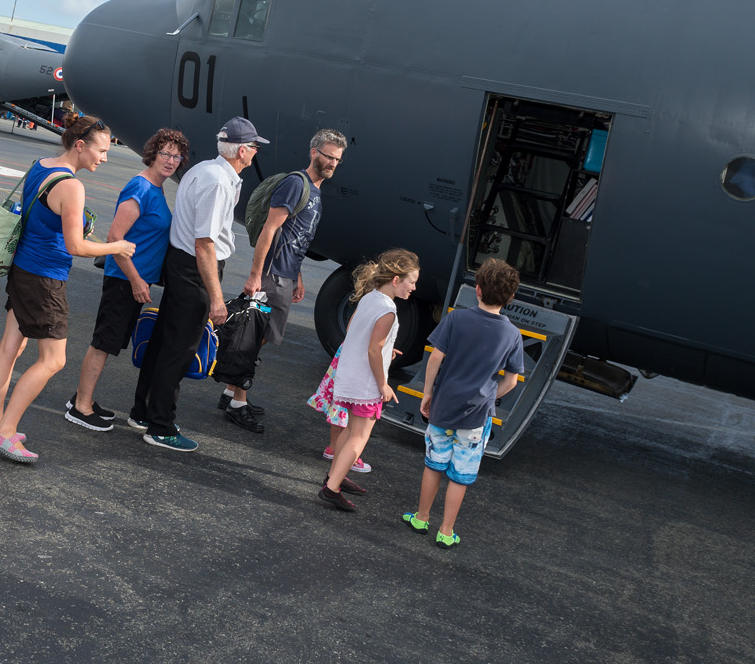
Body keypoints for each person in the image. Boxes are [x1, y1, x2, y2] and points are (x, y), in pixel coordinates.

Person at [0, 116, 137, 463]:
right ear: (80, 146)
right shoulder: (71, 186)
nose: (105, 157)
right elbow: (76, 246)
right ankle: (5, 432)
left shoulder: (42, 165)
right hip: (44, 280)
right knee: (53, 360)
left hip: (23, 270)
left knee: (10, 347)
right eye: (101, 150)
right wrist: (118, 247)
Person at [125, 117, 267, 453]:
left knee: (163, 342)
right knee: (179, 349)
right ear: (242, 150)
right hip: (195, 268)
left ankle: (143, 412)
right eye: (254, 146)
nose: (256, 152)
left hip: (181, 263)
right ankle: (160, 426)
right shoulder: (218, 182)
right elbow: (205, 243)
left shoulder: (206, 170)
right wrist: (216, 298)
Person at [221, 128, 348, 433]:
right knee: (254, 337)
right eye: (328, 156)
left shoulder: (315, 191)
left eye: (337, 159)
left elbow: (295, 238)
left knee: (260, 338)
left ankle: (230, 393)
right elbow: (269, 230)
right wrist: (255, 276)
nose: (331, 163)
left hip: (286, 276)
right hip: (271, 277)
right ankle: (238, 402)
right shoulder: (296, 184)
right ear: (313, 152)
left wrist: (298, 275)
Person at [62, 128, 189, 431]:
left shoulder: (156, 188)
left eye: (176, 155)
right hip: (123, 279)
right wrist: (135, 280)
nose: (171, 160)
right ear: (152, 154)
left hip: (133, 281)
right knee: (103, 343)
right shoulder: (141, 188)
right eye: (165, 153)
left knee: (110, 342)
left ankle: (83, 397)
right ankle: (80, 408)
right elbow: (115, 238)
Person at [404, 258, 526, 547]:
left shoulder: (456, 318)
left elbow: (435, 357)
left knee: (434, 464)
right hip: (476, 418)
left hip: (444, 406)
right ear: (510, 297)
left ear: (478, 289)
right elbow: (510, 381)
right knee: (460, 474)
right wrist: (486, 397)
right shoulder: (512, 334)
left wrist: (428, 392)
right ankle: (446, 532)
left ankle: (421, 517)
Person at [317, 249, 419, 510]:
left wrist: (386, 350)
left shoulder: (370, 297)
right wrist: (383, 383)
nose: (414, 288)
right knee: (359, 436)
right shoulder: (389, 310)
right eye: (412, 281)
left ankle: (335, 476)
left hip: (348, 375)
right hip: (365, 383)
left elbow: (354, 331)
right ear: (396, 280)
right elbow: (374, 349)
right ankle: (331, 488)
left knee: (349, 430)